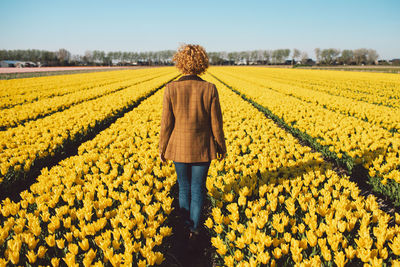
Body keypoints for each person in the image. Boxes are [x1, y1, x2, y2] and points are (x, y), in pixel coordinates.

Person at [158, 44, 226, 251]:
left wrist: (162, 148)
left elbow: (166, 124)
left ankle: (183, 227)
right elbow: (216, 123)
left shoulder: (171, 88)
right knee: (197, 190)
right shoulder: (209, 88)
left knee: (183, 189)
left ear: (180, 62)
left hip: (178, 149)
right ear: (202, 63)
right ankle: (194, 231)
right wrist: (221, 145)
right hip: (202, 148)